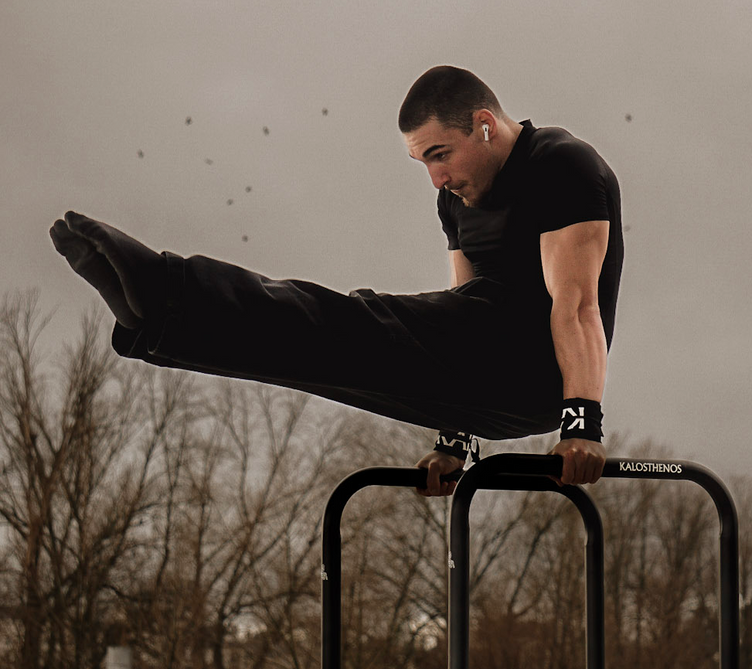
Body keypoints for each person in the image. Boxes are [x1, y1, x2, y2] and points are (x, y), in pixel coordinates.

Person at [50, 66, 623, 496]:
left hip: (545, 370)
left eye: (441, 155)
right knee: (326, 354)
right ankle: (160, 324)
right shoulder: (454, 202)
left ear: (484, 125)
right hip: (484, 370)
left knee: (351, 319)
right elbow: (456, 312)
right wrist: (454, 442)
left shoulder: (561, 165)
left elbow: (576, 305)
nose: (436, 178)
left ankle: (166, 288)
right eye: (423, 162)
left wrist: (582, 423)